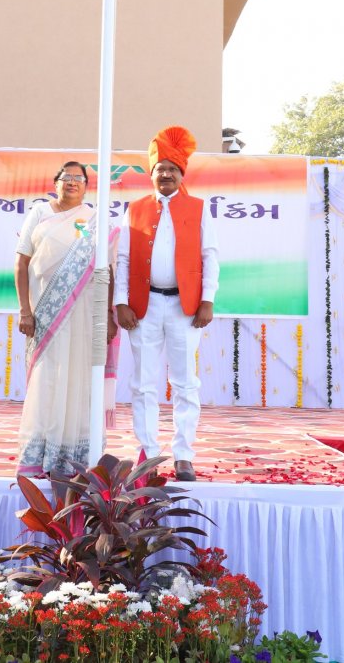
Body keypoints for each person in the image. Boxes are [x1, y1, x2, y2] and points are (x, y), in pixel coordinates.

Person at [114, 125, 219, 481]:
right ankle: (149, 454)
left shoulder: (198, 208)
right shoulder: (136, 209)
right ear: (153, 175)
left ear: (181, 174)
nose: (166, 175)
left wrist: (207, 299)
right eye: (161, 170)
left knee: (185, 381)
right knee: (142, 383)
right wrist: (120, 302)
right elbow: (123, 260)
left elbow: (210, 256)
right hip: (143, 308)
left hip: (184, 308)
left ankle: (183, 455)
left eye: (172, 170)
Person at [14, 161, 118, 477]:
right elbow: (21, 265)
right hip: (46, 314)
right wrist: (25, 311)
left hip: (85, 314)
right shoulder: (39, 214)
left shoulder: (95, 220)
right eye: (66, 177)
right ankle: (41, 452)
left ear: (87, 186)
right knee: (47, 380)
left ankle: (77, 453)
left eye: (78, 178)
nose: (72, 182)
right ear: (55, 182)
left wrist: (110, 315)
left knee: (80, 379)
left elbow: (107, 271)